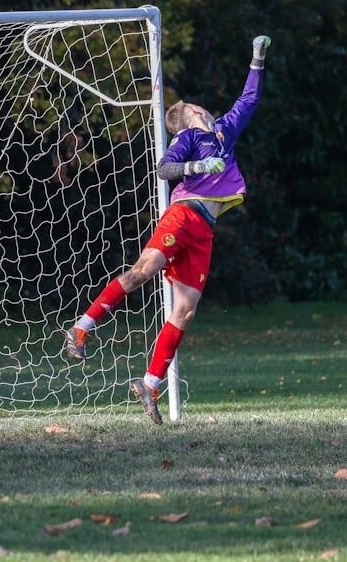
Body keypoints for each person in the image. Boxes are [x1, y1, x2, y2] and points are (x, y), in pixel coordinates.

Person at [64, 35, 272, 424]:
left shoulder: (225, 130)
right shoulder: (189, 137)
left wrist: (256, 60)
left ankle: (150, 383)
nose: (202, 107)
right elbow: (164, 169)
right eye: (195, 106)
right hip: (183, 215)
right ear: (190, 115)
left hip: (205, 230)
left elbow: (250, 100)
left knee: (185, 311)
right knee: (142, 273)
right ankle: (81, 328)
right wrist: (195, 168)